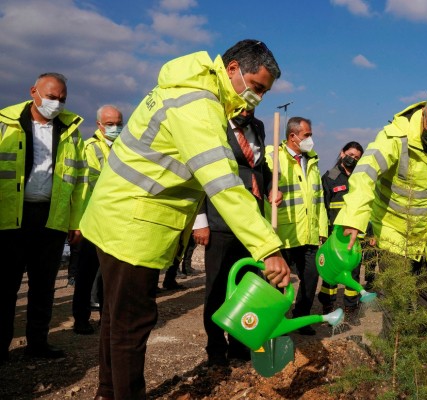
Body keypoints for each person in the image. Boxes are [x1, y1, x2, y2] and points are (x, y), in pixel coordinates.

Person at [79, 39, 292, 400]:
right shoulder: (197, 104)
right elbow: (223, 183)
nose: (258, 98)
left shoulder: (187, 90)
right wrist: (268, 247)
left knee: (117, 319)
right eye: (256, 87)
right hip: (132, 222)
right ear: (233, 69)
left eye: (264, 92)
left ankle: (106, 391)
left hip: (115, 215)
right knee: (132, 323)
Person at [335, 88, 427, 371]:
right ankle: (392, 355)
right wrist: (354, 218)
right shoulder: (395, 137)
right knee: (395, 296)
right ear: (423, 114)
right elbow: (364, 174)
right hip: (394, 233)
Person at [0, 72, 88, 363]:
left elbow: (79, 181)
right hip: (9, 219)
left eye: (62, 99)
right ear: (33, 92)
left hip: (50, 219)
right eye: (51, 97)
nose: (57, 104)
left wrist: (75, 222)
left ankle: (37, 344)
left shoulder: (70, 131)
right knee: (5, 286)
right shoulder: (5, 124)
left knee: (43, 286)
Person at [192, 106, 281, 367]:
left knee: (248, 286)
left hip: (253, 222)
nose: (247, 110)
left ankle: (240, 342)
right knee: (218, 287)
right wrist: (201, 222)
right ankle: (216, 348)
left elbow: (260, 166)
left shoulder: (259, 127)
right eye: (242, 104)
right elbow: (199, 173)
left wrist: (269, 188)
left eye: (252, 105)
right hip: (220, 219)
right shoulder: (214, 124)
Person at [264, 116, 327, 336]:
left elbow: (318, 199)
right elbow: (266, 187)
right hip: (284, 232)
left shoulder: (312, 161)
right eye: (307, 135)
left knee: (310, 278)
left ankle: (301, 318)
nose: (310, 139)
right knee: (279, 280)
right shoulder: (274, 157)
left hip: (308, 234)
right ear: (293, 137)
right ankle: (276, 321)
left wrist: (322, 230)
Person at [71, 104, 123, 335]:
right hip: (93, 220)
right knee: (86, 274)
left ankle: (107, 318)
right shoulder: (90, 148)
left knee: (110, 275)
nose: (115, 128)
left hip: (116, 220)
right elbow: (86, 186)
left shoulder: (124, 148)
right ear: (99, 125)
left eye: (118, 123)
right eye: (110, 124)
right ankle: (81, 319)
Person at [318, 141, 364, 321]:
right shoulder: (329, 177)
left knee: (353, 270)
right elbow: (322, 207)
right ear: (342, 152)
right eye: (350, 154)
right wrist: (323, 233)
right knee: (331, 271)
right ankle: (327, 305)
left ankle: (351, 306)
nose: (352, 159)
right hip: (334, 234)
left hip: (354, 235)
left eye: (356, 157)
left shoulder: (359, 178)